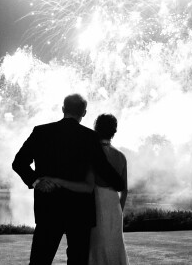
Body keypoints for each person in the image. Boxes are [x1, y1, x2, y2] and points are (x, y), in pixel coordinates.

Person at [12, 94, 124, 265]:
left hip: (48, 208)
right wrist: (119, 183)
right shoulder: (89, 137)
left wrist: (37, 181)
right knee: (78, 261)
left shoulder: (41, 132)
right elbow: (103, 169)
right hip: (80, 212)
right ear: (84, 113)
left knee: (40, 261)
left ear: (63, 109)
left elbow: (19, 163)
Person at [88, 113, 130, 265]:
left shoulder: (90, 153)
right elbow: (124, 191)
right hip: (114, 206)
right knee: (115, 245)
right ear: (114, 131)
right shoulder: (121, 156)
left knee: (96, 244)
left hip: (96, 203)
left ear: (96, 129)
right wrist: (119, 210)